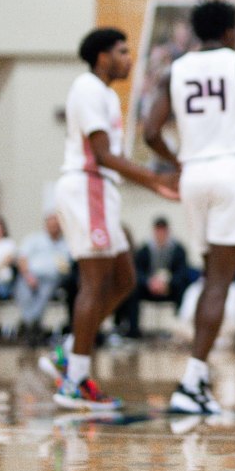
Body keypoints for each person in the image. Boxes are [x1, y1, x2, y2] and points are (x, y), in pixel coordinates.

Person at [39, 28, 179, 411]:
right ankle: (75, 380)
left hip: (101, 190)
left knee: (124, 279)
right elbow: (100, 154)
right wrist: (154, 178)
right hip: (88, 186)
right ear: (102, 56)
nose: (129, 58)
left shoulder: (104, 93)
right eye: (122, 51)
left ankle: (69, 350)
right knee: (95, 283)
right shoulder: (87, 87)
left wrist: (153, 183)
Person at [143, 0, 235, 414]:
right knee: (219, 282)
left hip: (192, 175)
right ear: (228, 31)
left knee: (211, 276)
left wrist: (177, 162)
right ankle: (192, 380)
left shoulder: (176, 68)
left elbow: (151, 131)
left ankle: (196, 379)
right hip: (229, 169)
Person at [116, 217, 190, 339]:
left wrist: (167, 282)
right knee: (132, 290)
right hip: (149, 287)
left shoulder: (178, 250)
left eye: (163, 231)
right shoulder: (145, 249)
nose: (160, 235)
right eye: (158, 231)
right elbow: (137, 271)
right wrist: (149, 282)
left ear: (168, 231)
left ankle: (179, 328)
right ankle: (132, 330)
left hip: (170, 288)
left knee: (183, 287)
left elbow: (182, 272)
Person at [14, 214, 72, 345]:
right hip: (29, 276)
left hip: (52, 279)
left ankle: (28, 323)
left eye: (57, 225)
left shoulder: (66, 244)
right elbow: (22, 258)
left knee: (44, 293)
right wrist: (28, 276)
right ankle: (32, 323)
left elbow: (67, 267)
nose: (54, 228)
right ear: (46, 225)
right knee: (24, 293)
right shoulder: (34, 239)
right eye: (51, 225)